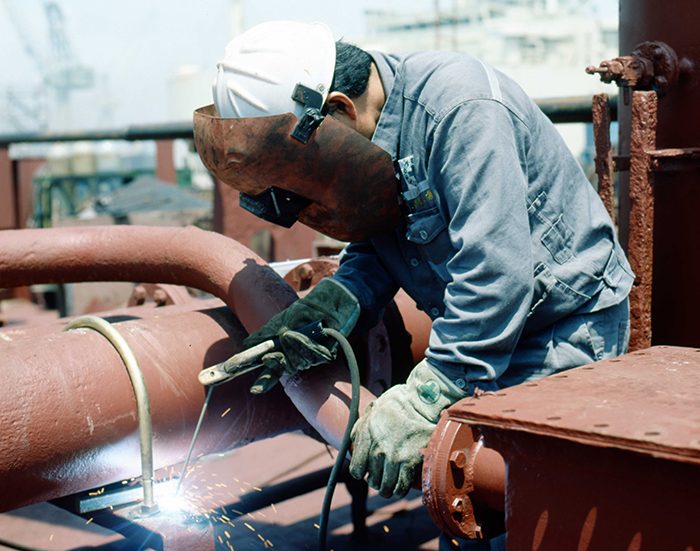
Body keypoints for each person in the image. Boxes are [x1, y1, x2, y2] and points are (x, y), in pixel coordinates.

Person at [198, 19, 633, 548]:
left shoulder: (460, 110)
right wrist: (340, 297)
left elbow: (497, 272)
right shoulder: (370, 130)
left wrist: (426, 395)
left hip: (562, 327)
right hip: (484, 335)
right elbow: (380, 230)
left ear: (338, 111)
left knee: (521, 519)